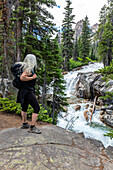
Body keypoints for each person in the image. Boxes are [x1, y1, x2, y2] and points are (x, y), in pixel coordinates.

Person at [16, 54, 41, 134]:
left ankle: (24, 123)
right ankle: (32, 127)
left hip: (22, 91)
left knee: (24, 106)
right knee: (36, 108)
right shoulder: (28, 69)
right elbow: (22, 77)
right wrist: (32, 78)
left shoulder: (23, 67)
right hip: (28, 91)